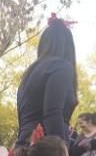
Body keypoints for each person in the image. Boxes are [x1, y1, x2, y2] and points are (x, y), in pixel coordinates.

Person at [16, 15, 78, 145]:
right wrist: (63, 154)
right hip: (46, 150)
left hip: (24, 147)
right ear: (68, 45)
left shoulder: (30, 72)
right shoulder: (61, 67)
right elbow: (53, 114)